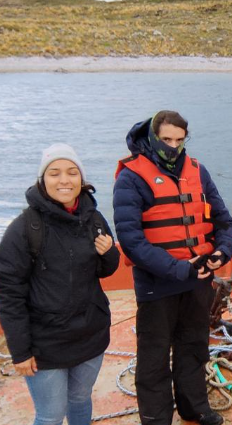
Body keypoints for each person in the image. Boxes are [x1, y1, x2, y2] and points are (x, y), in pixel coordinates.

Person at [113, 111, 232, 425]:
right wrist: (179, 269)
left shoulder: (198, 171)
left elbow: (223, 221)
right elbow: (131, 240)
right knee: (154, 358)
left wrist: (222, 252)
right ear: (153, 137)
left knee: (194, 346)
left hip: (197, 281)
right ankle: (156, 419)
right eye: (166, 140)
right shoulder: (131, 177)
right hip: (158, 285)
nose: (173, 147)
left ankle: (194, 407)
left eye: (179, 140)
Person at [0, 143, 120, 425]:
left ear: (82, 179)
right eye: (54, 173)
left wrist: (109, 253)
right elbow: (8, 292)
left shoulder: (93, 218)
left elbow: (105, 270)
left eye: (71, 172)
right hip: (46, 343)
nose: (64, 180)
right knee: (50, 415)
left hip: (90, 335)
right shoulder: (24, 228)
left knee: (80, 400)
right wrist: (20, 350)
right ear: (42, 180)